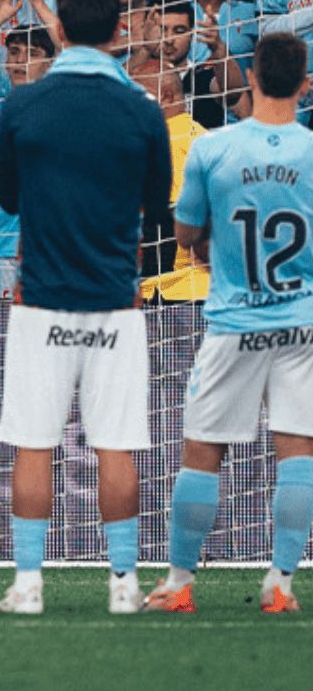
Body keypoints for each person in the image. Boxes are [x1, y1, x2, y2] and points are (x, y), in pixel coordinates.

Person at [0, 0, 170, 617]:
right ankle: (124, 587)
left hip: (40, 299)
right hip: (115, 300)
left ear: (58, 31)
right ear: (119, 33)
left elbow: (8, 198)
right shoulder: (143, 111)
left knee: (33, 444)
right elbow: (157, 210)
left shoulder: (23, 105)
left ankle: (29, 586)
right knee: (115, 445)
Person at [146, 30, 313, 616]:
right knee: (298, 451)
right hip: (300, 323)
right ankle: (281, 586)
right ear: (305, 83)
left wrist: (210, 238)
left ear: (252, 81)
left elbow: (185, 233)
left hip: (234, 321)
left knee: (202, 452)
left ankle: (179, 584)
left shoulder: (213, 148)